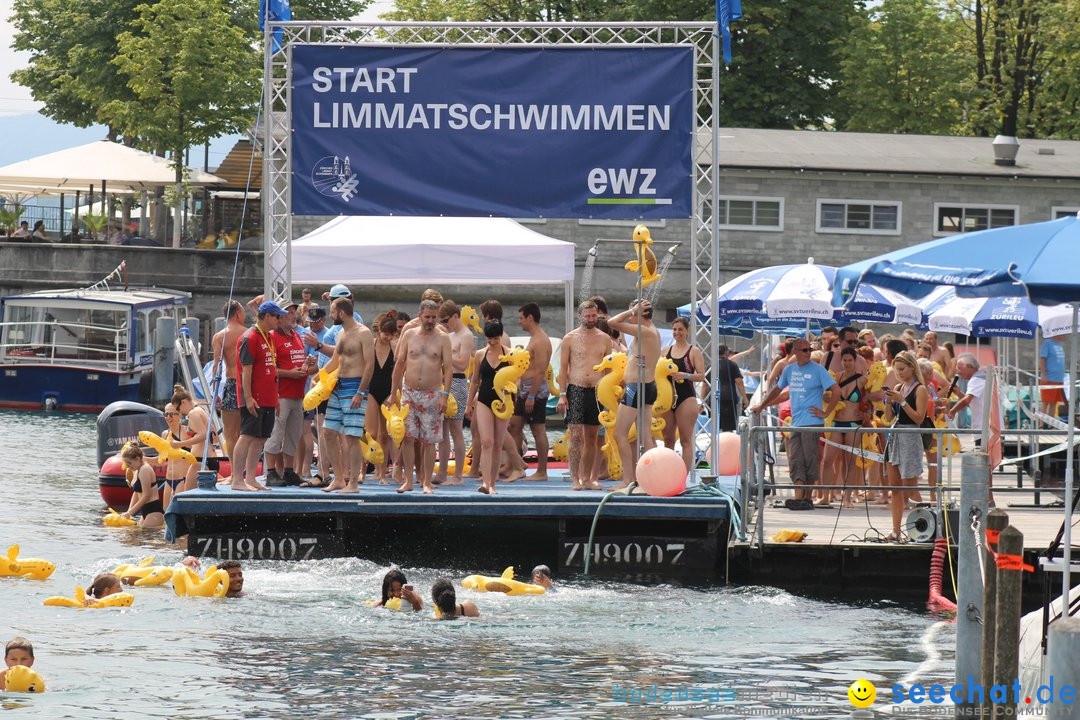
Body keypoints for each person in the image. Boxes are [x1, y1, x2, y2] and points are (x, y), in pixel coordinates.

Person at [750, 338, 840, 503]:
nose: (808, 353)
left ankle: (807, 497)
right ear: (795, 352)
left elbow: (836, 390)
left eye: (810, 350)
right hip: (795, 422)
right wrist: (762, 405)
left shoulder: (818, 370)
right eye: (805, 350)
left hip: (812, 422)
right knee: (795, 460)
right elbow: (779, 390)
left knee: (810, 459)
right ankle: (799, 497)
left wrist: (826, 412)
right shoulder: (789, 370)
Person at [391, 299, 453, 494]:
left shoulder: (443, 338)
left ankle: (426, 481)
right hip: (409, 391)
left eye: (434, 317)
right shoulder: (409, 335)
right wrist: (393, 393)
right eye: (427, 317)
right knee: (408, 438)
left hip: (432, 393)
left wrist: (444, 395)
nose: (430, 321)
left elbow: (449, 368)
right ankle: (408, 480)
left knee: (429, 440)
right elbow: (399, 364)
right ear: (420, 316)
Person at [231, 301, 289, 491]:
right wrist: (248, 397)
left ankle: (251, 479)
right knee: (247, 436)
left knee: (261, 438)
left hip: (268, 397)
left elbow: (271, 369)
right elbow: (245, 371)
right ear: (266, 317)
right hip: (254, 397)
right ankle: (237, 479)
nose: (279, 320)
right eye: (276, 316)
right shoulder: (250, 337)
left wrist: (276, 397)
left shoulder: (269, 337)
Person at [557, 301, 613, 491]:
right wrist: (562, 395)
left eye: (593, 316)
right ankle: (575, 478)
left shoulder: (604, 339)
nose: (590, 319)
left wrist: (609, 393)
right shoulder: (570, 338)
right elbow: (563, 369)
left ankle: (587, 477)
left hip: (596, 391)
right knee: (576, 435)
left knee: (592, 436)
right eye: (587, 316)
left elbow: (608, 369)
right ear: (580, 316)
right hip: (576, 388)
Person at [321, 297, 375, 493]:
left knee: (352, 437)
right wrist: (317, 376)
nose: (330, 315)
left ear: (342, 313)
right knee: (328, 432)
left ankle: (353, 483)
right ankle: (338, 478)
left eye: (332, 312)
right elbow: (335, 362)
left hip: (355, 387)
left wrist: (361, 392)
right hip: (338, 387)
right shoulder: (340, 334)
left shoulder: (364, 333)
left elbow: (370, 364)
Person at [609, 300, 661, 491]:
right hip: (647, 385)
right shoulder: (650, 330)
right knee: (645, 435)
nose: (630, 314)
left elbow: (612, 323)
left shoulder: (644, 330)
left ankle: (628, 479)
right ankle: (652, 477)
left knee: (619, 433)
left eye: (633, 311)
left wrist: (632, 309)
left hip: (637, 387)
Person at [265, 301, 316, 487]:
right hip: (281, 394)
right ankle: (271, 472)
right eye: (289, 312)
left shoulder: (297, 335)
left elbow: (299, 362)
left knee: (294, 434)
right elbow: (268, 368)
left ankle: (288, 471)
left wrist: (307, 367)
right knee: (276, 433)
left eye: (294, 312)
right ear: (279, 317)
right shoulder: (272, 337)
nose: (293, 315)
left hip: (297, 394)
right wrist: (291, 373)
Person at [882, 351, 929, 541]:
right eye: (896, 370)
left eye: (902, 369)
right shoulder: (898, 386)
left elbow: (919, 418)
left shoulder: (920, 390)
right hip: (896, 436)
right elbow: (888, 418)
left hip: (910, 437)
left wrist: (902, 401)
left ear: (912, 368)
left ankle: (919, 529)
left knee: (911, 486)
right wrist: (888, 402)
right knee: (895, 487)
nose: (899, 373)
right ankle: (895, 530)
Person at [467, 320, 511, 495]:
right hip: (484, 399)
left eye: (495, 339)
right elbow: (475, 381)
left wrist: (511, 391)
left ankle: (492, 482)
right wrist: (469, 403)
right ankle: (486, 482)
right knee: (486, 442)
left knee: (498, 443)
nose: (492, 343)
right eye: (489, 339)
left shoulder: (509, 355)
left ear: (501, 337)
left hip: (503, 400)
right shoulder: (480, 354)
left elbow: (517, 378)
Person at [510, 302, 552, 481]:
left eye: (521, 318)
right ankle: (517, 465)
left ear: (530, 318)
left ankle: (542, 471)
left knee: (538, 429)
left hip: (535, 391)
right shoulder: (533, 338)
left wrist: (532, 396)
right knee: (514, 426)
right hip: (525, 390)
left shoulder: (541, 340)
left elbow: (541, 370)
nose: (519, 322)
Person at [820, 347, 866, 509]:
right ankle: (825, 495)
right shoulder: (835, 378)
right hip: (836, 423)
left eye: (850, 360)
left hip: (854, 423)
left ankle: (847, 498)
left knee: (850, 462)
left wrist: (865, 412)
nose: (847, 363)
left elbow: (871, 398)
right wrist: (828, 397)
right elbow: (824, 395)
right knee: (827, 460)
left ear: (855, 361)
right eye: (844, 360)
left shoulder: (862, 380)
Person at [436, 301, 473, 486]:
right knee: (441, 432)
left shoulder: (466, 335)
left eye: (445, 320)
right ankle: (442, 473)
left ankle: (458, 475)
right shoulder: (449, 335)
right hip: (443, 382)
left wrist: (446, 357)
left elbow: (464, 363)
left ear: (455, 316)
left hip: (457, 382)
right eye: (440, 321)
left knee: (456, 430)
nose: (443, 323)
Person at [210, 300, 248, 460]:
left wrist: (215, 392)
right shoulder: (248, 333)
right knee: (246, 434)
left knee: (230, 434)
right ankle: (246, 472)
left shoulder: (219, 336)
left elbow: (216, 365)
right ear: (238, 313)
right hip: (250, 385)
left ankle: (234, 473)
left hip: (232, 384)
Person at [301, 306, 333, 487]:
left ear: (324, 320)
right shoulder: (305, 334)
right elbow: (303, 364)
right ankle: (306, 468)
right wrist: (307, 365)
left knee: (324, 432)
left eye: (317, 322)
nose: (313, 326)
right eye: (310, 322)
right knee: (306, 430)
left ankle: (324, 470)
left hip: (322, 389)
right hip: (307, 389)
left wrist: (310, 368)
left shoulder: (328, 336)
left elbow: (326, 369)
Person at [367, 314, 399, 485]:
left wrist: (395, 393)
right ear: (379, 330)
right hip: (371, 390)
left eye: (391, 334)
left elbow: (399, 372)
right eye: (385, 333)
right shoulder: (370, 344)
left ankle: (382, 472)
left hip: (387, 391)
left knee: (384, 434)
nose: (388, 337)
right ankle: (362, 469)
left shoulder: (394, 347)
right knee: (371, 433)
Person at [170, 385, 220, 494]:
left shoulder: (193, 413)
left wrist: (180, 444)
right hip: (210, 459)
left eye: (178, 409)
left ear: (183, 402)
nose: (180, 412)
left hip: (201, 461)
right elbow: (214, 436)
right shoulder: (201, 410)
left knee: (187, 498)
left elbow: (203, 435)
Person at [120, 443, 164, 527]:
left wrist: (130, 513)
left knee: (146, 537)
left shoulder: (145, 469)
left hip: (153, 511)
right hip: (145, 510)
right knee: (139, 537)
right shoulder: (137, 469)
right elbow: (136, 492)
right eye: (126, 463)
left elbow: (146, 495)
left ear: (137, 459)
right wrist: (129, 511)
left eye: (129, 463)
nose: (128, 466)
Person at [156, 403, 189, 511]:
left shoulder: (186, 432)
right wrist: (143, 459)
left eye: (172, 414)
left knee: (177, 512)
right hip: (168, 480)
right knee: (166, 512)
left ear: (180, 415)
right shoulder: (165, 434)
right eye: (166, 414)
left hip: (182, 479)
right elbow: (160, 459)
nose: (168, 418)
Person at [1040, 335, 1066, 420]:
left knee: (1054, 402)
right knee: (1046, 402)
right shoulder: (1048, 343)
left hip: (1059, 379)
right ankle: (1041, 426)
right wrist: (1044, 375)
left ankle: (1051, 425)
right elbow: (1042, 359)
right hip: (1049, 378)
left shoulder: (1060, 345)